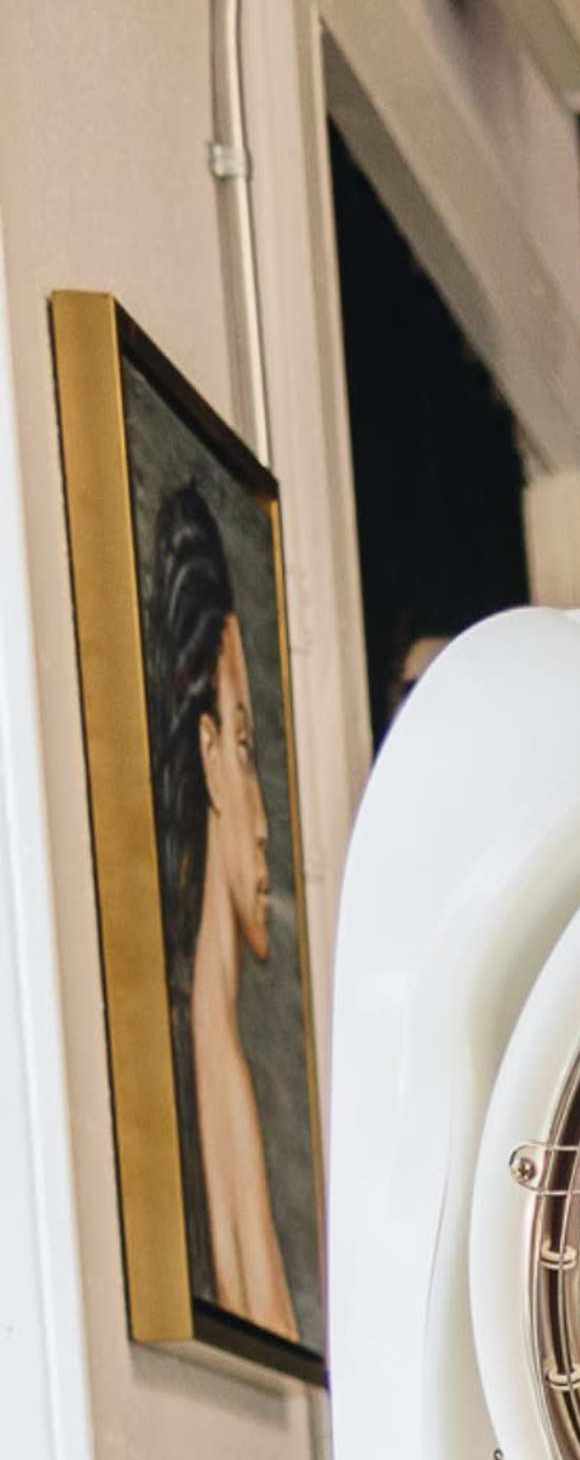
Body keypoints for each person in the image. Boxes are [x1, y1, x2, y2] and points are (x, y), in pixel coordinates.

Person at [146, 480, 295, 1339]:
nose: (268, 820)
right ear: (204, 753)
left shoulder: (214, 1050)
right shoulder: (214, 1061)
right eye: (243, 744)